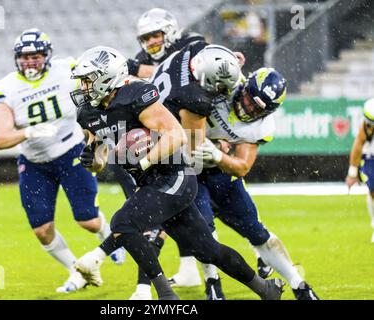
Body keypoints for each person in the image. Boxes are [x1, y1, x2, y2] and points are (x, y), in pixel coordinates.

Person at [70, 45, 285, 300]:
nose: (83, 87)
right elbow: (100, 158)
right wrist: (91, 159)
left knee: (122, 223)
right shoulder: (89, 112)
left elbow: (176, 135)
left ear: (106, 77)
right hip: (150, 180)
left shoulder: (134, 94)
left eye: (87, 80)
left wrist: (144, 162)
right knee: (208, 250)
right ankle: (266, 289)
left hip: (174, 176)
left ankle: (166, 297)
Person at [160, 44, 317, 300]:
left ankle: (300, 285)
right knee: (204, 230)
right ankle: (213, 283)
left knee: (256, 231)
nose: (249, 109)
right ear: (244, 86)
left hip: (219, 171)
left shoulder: (260, 127)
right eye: (248, 100)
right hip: (188, 167)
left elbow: (243, 167)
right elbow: (207, 66)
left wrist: (218, 155)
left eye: (259, 109)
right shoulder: (226, 85)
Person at [0, 29, 124, 294]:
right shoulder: (6, 88)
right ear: (17, 59)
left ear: (47, 55)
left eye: (36, 55)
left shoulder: (67, 70)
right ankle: (78, 271)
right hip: (35, 162)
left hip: (71, 151)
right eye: (25, 57)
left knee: (88, 221)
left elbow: (97, 85)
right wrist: (28, 132)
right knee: (41, 229)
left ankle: (106, 234)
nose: (30, 62)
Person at [346, 97, 374, 243]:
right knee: (373, 191)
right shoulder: (367, 126)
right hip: (372, 157)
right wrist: (352, 173)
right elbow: (358, 144)